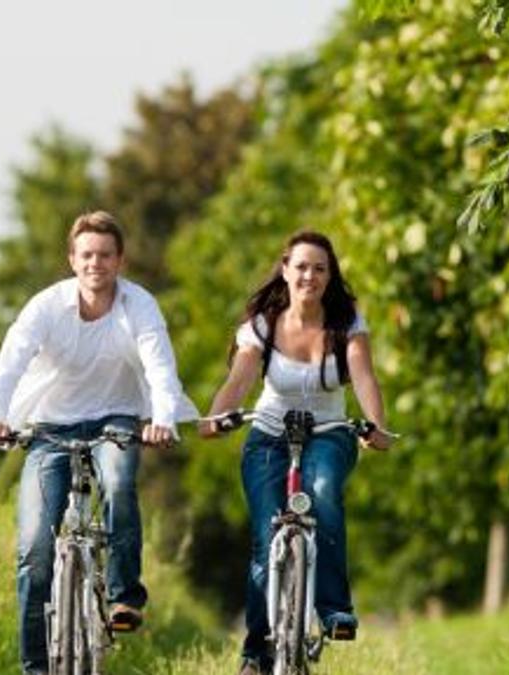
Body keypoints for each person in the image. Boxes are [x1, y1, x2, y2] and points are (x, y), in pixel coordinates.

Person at [0, 210, 198, 675]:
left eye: (104, 255)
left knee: (118, 482)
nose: (95, 263)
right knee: (34, 549)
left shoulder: (139, 306)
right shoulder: (45, 307)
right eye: (86, 255)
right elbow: (8, 366)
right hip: (50, 427)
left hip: (115, 419)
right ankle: (36, 668)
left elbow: (160, 368)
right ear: (72, 260)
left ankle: (124, 597)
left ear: (119, 260)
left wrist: (162, 420)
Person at [198, 230, 394, 675]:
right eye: (302, 266)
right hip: (268, 434)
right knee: (266, 536)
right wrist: (214, 419)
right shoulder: (263, 325)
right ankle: (256, 653)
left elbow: (364, 377)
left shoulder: (347, 322)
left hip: (329, 432)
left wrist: (377, 426)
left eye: (320, 268)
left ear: (330, 276)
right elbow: (239, 379)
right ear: (285, 270)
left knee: (323, 493)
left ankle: (333, 609)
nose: (310, 276)